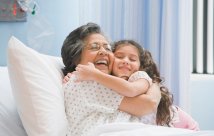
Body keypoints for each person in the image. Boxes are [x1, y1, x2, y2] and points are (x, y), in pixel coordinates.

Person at [72, 39, 199, 130]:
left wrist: (94, 74)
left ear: (140, 66)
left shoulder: (140, 77)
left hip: (180, 124)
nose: (126, 61)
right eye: (120, 57)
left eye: (132, 59)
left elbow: (132, 91)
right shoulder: (107, 82)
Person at [61, 23, 161, 136]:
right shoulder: (86, 82)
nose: (103, 52)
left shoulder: (100, 81)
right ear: (75, 58)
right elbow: (148, 104)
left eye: (108, 48)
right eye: (94, 47)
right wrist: (154, 83)